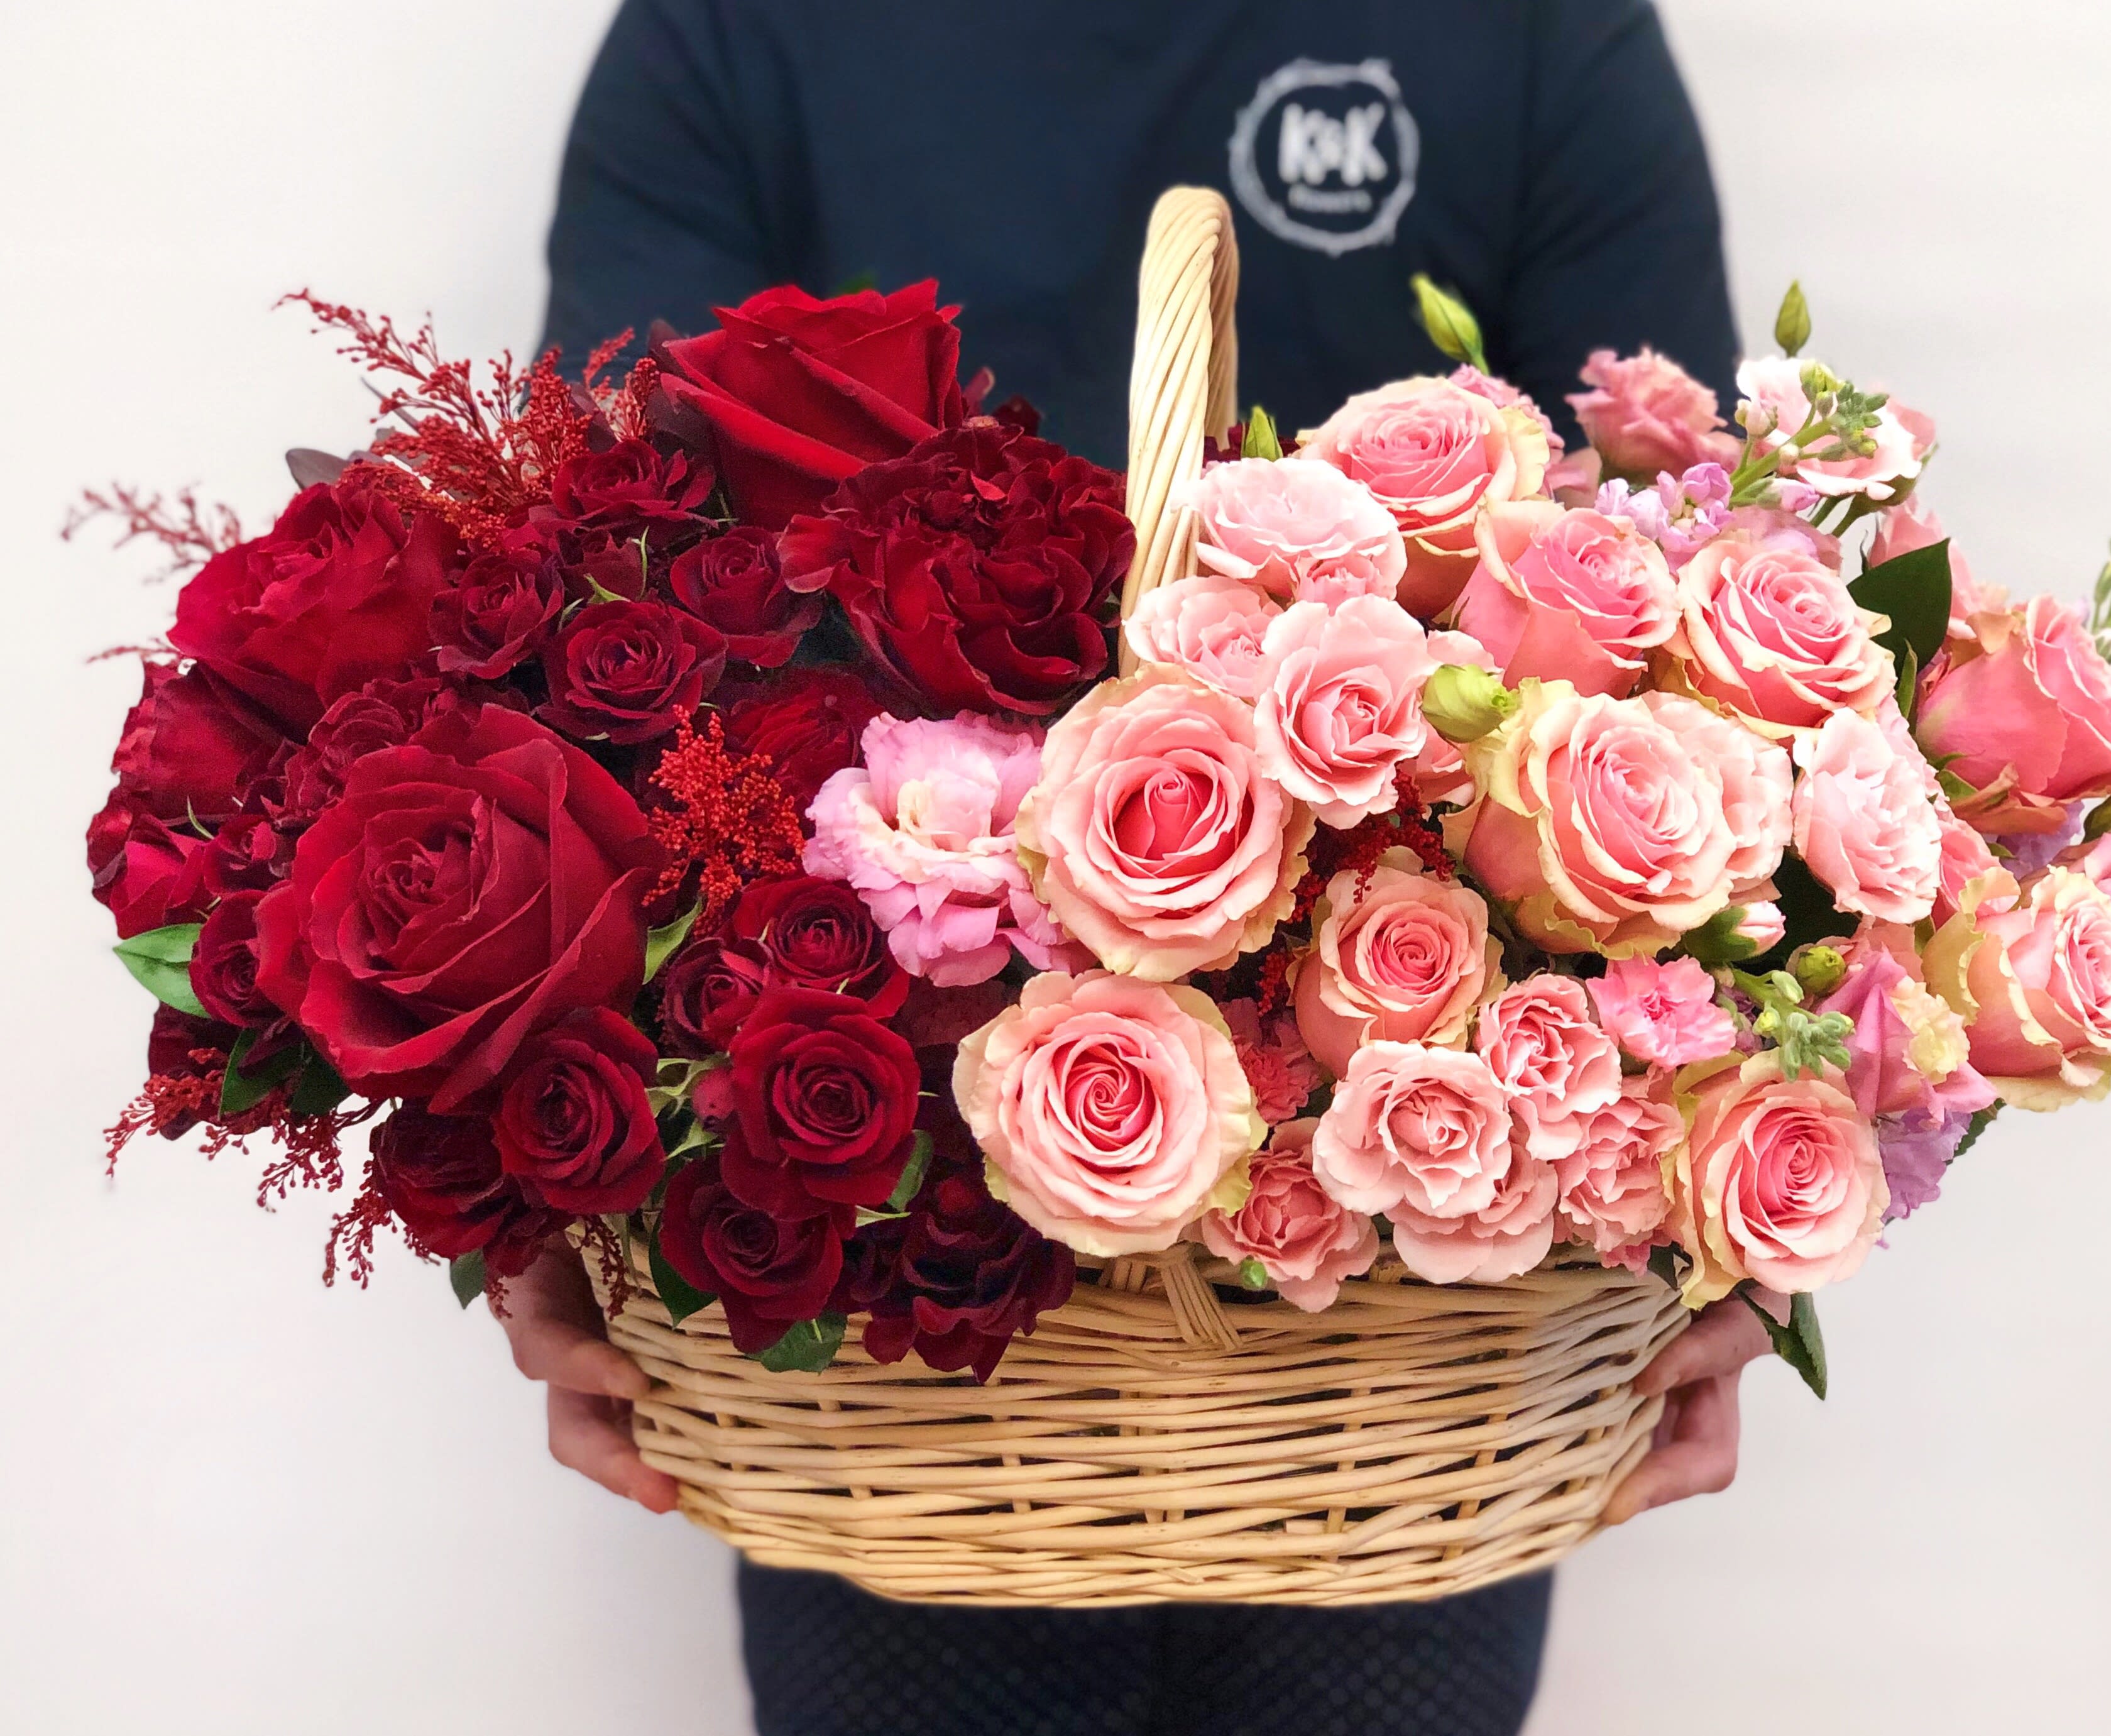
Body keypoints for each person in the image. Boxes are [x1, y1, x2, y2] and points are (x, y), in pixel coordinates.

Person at [513, 4, 1775, 1733]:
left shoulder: (1528, 27)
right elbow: (586, 595)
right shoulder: (739, 32)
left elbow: (1691, 589)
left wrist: (1730, 1195)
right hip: (896, 1311)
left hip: (1401, 1327)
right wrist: (542, 1178)